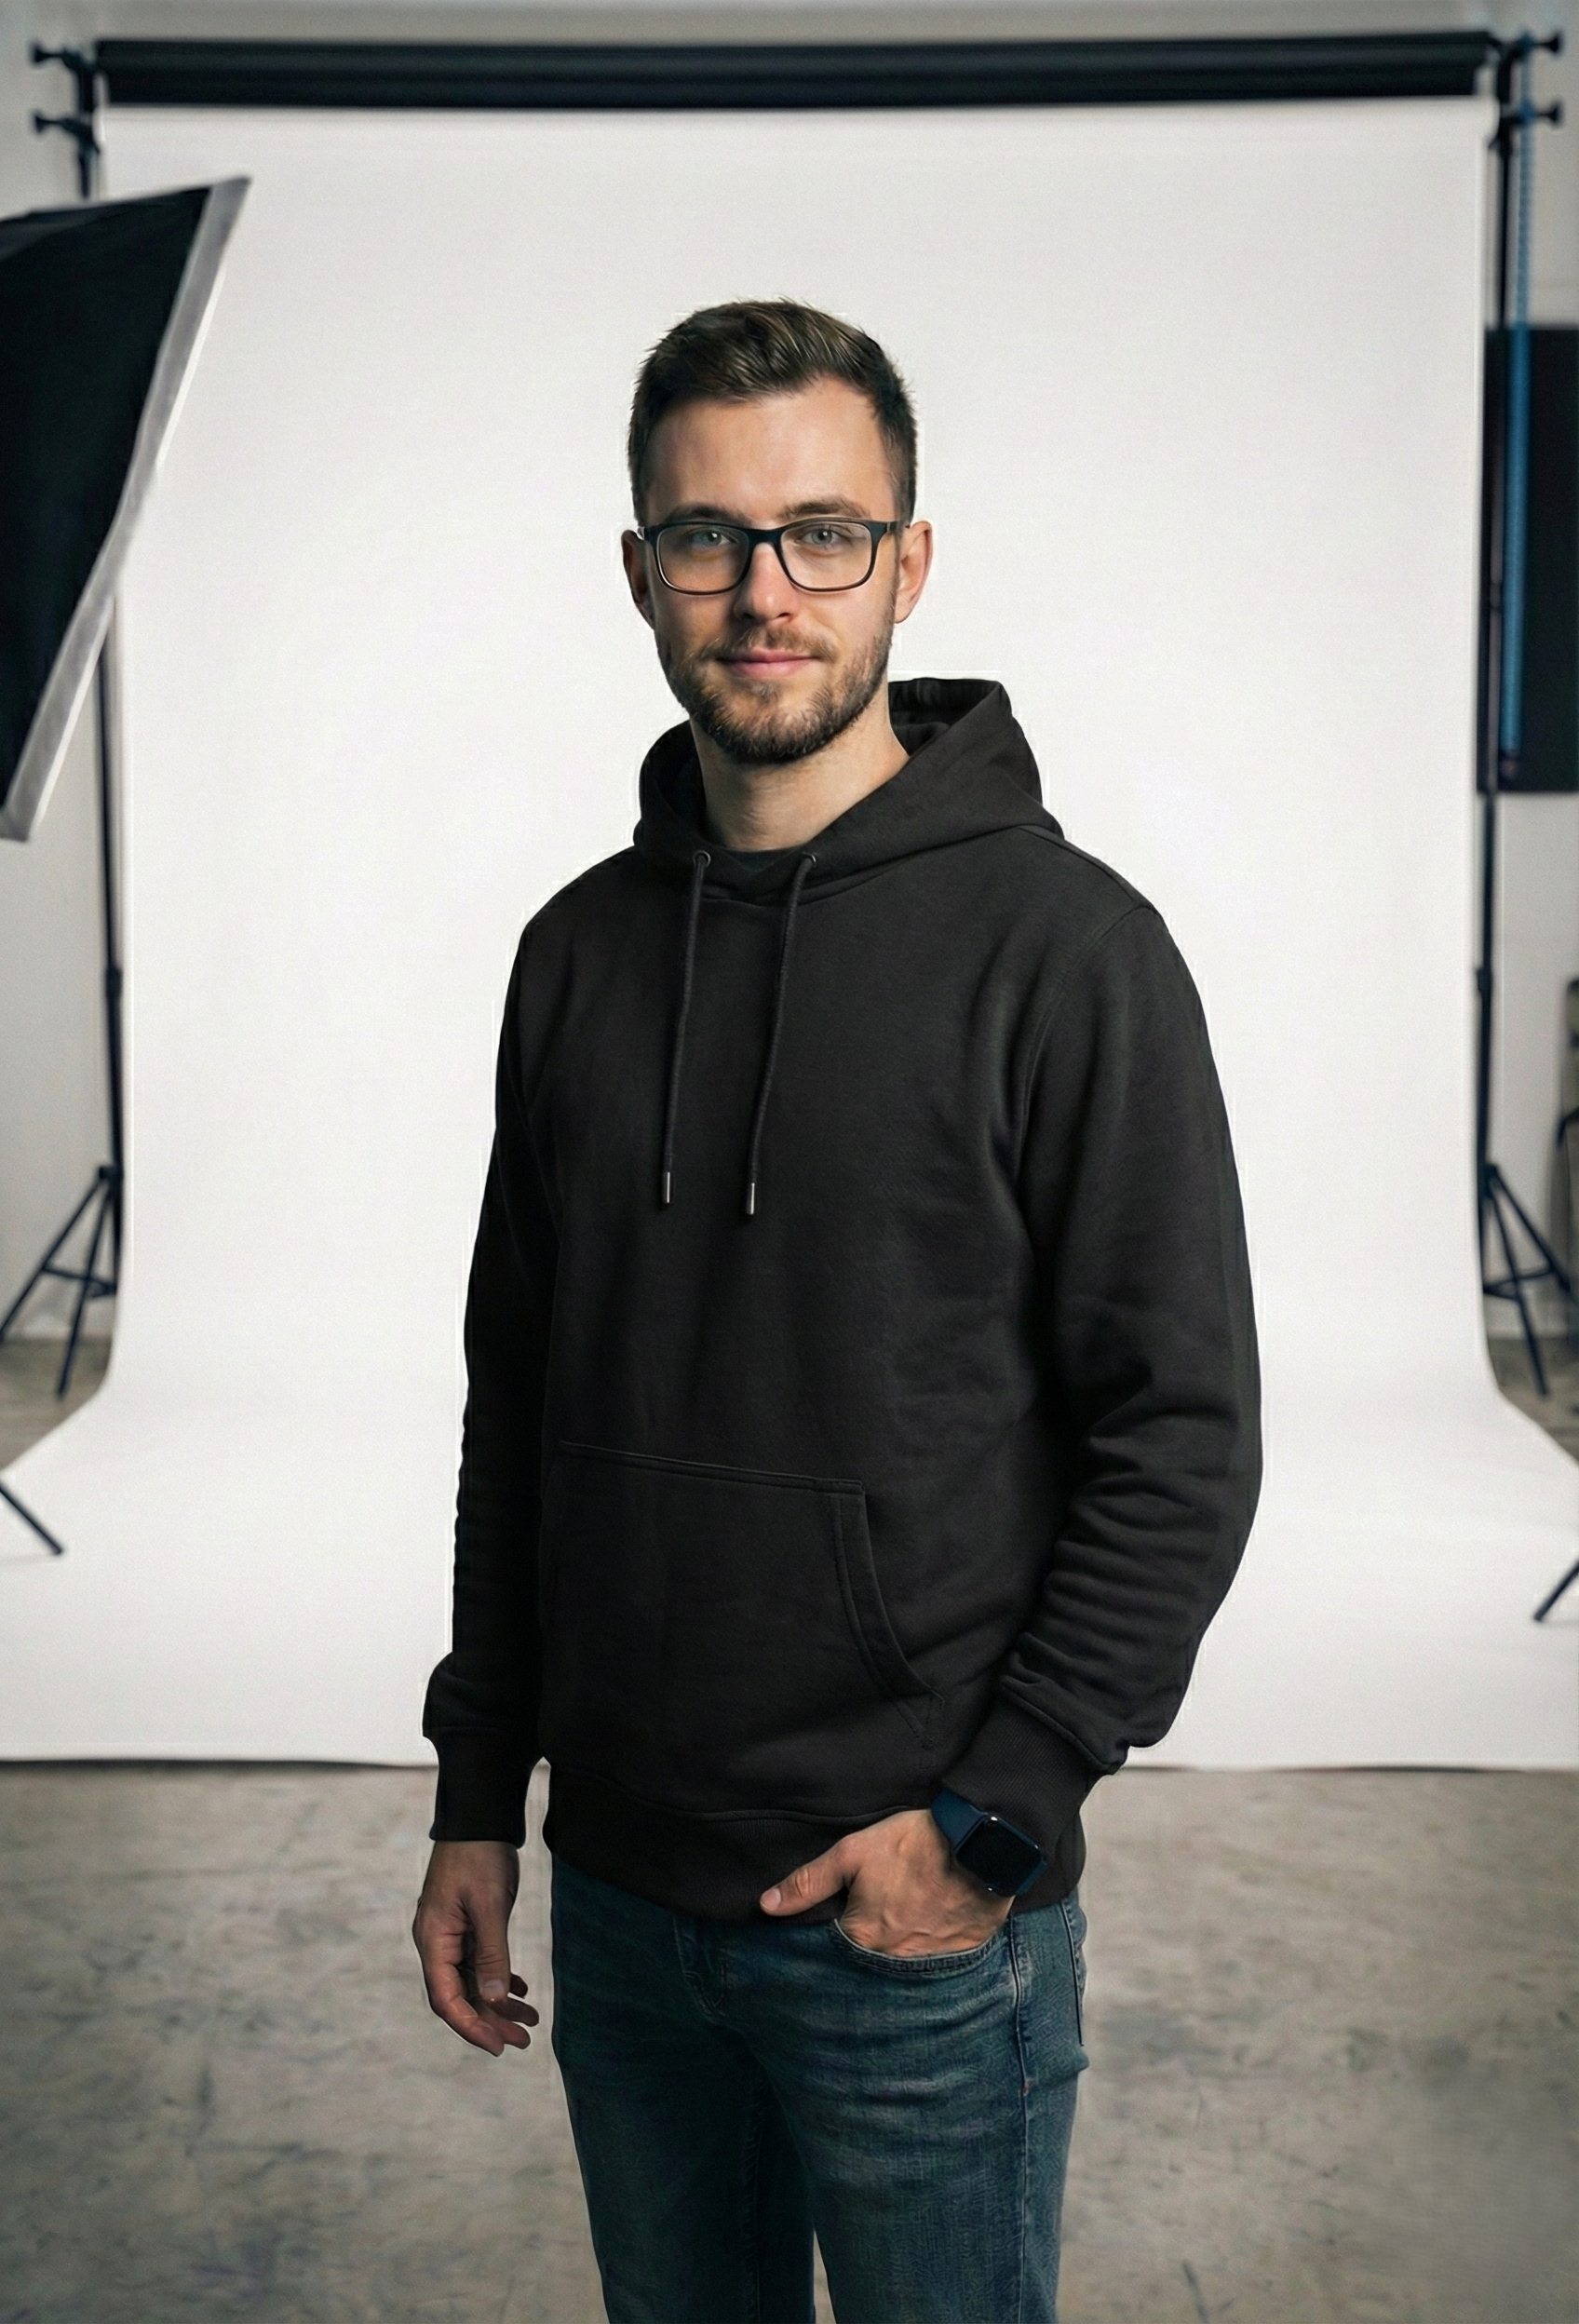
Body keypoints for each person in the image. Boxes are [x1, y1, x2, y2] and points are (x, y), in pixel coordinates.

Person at [412, 300, 1261, 2324]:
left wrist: (991, 1820)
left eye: (821, 532)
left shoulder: (1070, 955)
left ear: (909, 560)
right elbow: (517, 1407)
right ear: (639, 571)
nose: (764, 591)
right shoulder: (573, 957)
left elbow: (1178, 1434)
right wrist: (477, 1797)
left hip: (910, 1921)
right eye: (707, 537)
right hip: (621, 1901)